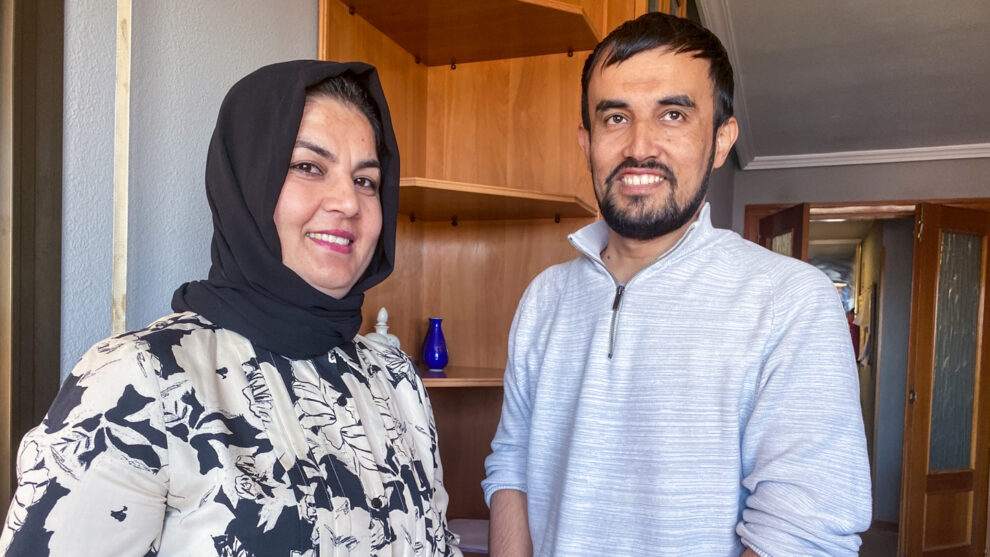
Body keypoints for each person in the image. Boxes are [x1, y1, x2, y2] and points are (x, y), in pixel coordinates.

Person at [0, 60, 460, 556]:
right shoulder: (140, 381)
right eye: (308, 167)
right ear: (245, 182)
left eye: (367, 180)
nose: (348, 202)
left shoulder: (395, 379)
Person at [482, 12, 871, 557]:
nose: (640, 146)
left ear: (719, 140)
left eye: (672, 114)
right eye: (615, 117)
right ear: (586, 140)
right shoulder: (544, 297)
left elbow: (801, 536)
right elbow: (513, 461)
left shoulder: (791, 301)